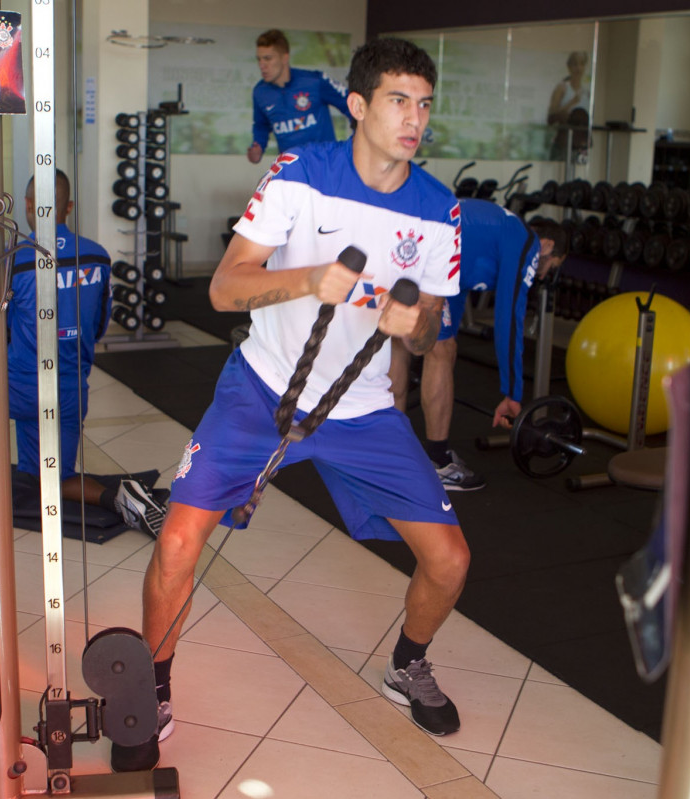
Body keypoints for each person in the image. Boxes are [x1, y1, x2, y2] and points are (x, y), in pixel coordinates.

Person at [113, 37, 468, 773]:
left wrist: (417, 325)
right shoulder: (299, 175)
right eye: (400, 100)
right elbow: (223, 289)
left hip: (365, 409)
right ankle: (153, 686)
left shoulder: (440, 209)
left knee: (450, 559)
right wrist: (310, 279)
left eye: (425, 104)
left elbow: (433, 321)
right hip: (263, 387)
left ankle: (407, 664)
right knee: (178, 542)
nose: (415, 119)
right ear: (359, 105)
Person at [9, 170, 167, 537]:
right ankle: (122, 499)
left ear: (29, 206)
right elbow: (98, 327)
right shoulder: (98, 257)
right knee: (55, 477)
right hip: (69, 391)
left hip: (16, 388)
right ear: (70, 207)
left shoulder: (14, 260)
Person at [389, 200, 568, 491]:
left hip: (404, 248)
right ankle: (438, 464)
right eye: (551, 265)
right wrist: (512, 392)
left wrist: (444, 336)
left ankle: (390, 456)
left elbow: (454, 287)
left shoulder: (494, 231)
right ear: (547, 245)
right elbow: (509, 316)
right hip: (425, 254)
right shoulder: (527, 242)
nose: (544, 275)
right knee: (441, 353)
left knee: (401, 344)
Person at [247, 28, 353, 164]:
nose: (262, 65)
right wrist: (258, 146)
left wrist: (358, 143)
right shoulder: (260, 92)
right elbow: (261, 125)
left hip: (326, 165)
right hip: (292, 169)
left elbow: (351, 105)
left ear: (285, 58)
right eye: (259, 59)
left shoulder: (315, 81)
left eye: (268, 58)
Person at [547, 51, 590, 161]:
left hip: (580, 144)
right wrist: (571, 102)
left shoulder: (586, 92)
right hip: (562, 142)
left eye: (581, 64)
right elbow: (551, 115)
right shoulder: (562, 88)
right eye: (575, 64)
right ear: (569, 67)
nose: (578, 68)